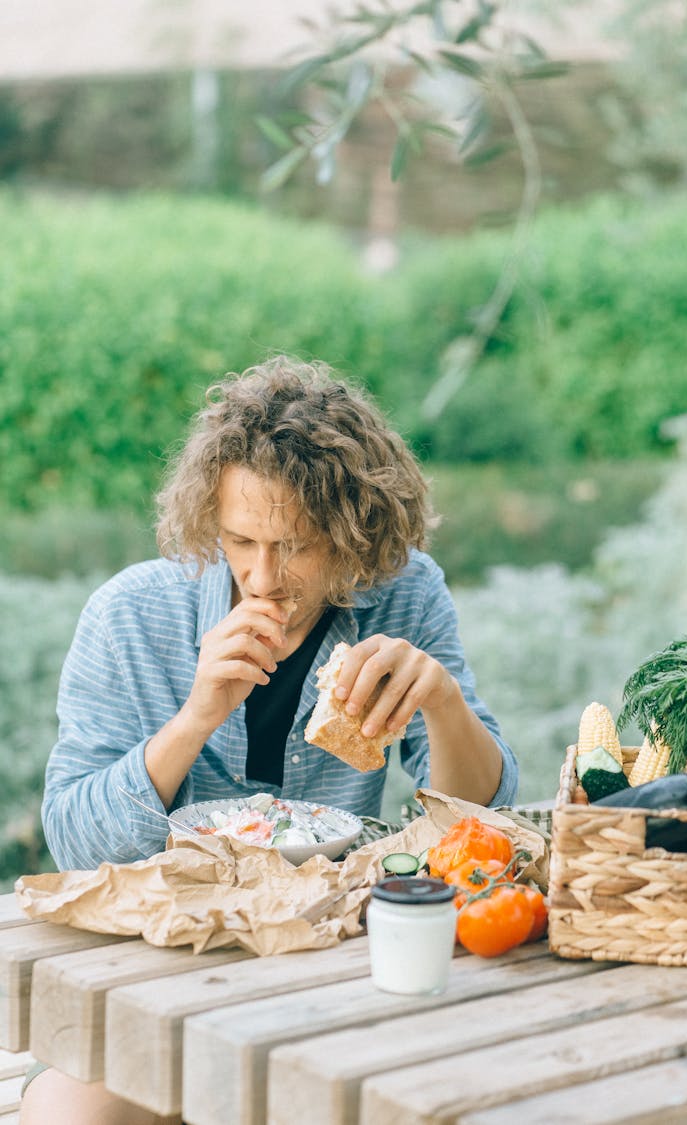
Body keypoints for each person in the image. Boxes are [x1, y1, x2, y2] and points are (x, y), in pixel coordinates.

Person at [21, 355, 517, 1124]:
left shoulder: (406, 592)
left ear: (354, 536)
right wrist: (194, 717)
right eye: (239, 540)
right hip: (163, 963)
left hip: (331, 964)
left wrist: (444, 704)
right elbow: (75, 841)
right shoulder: (127, 616)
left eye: (296, 545)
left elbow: (481, 820)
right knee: (71, 1115)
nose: (262, 575)